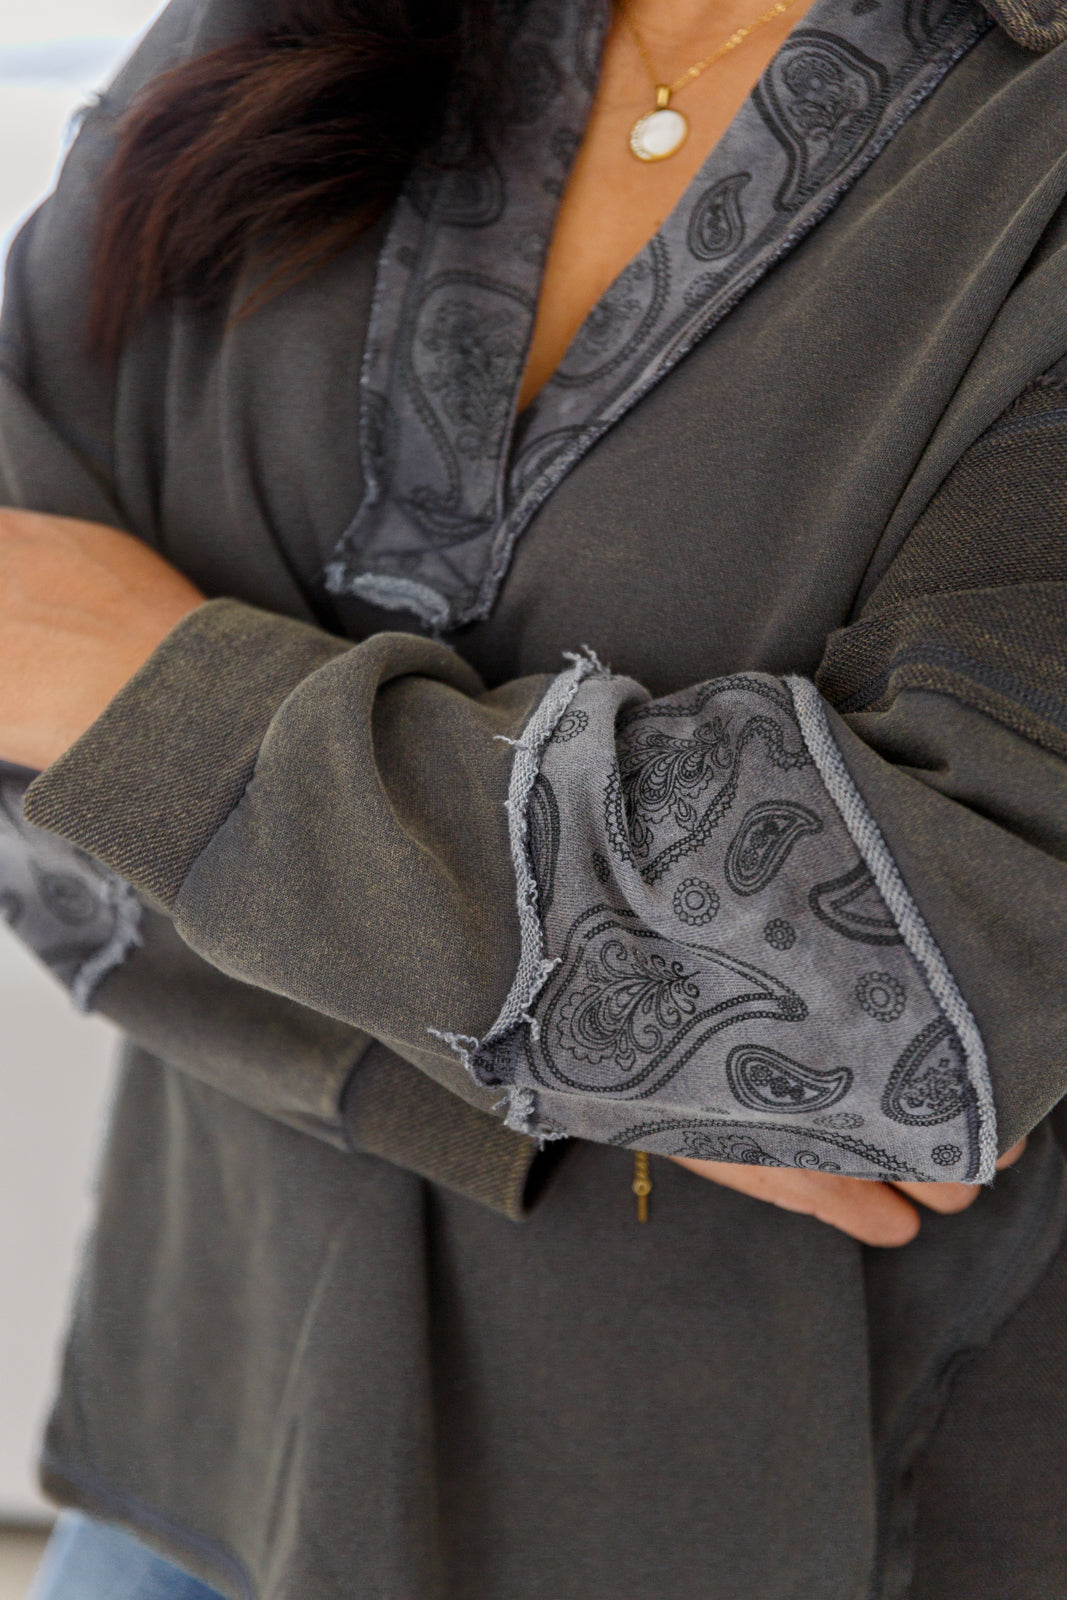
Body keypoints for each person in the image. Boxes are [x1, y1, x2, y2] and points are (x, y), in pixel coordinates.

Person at [2, 0, 1066, 1593]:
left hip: (757, 1529)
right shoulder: (270, 20)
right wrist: (611, 1047)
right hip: (209, 1460)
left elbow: (920, 1003)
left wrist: (138, 683)